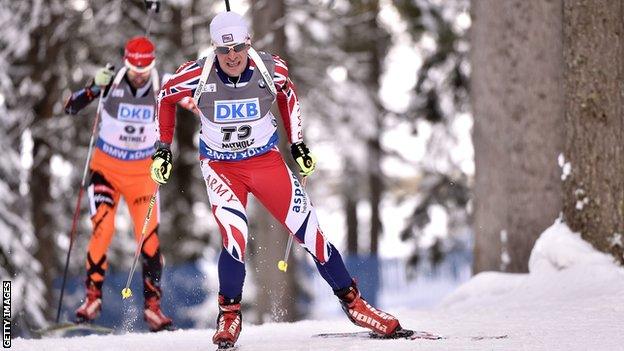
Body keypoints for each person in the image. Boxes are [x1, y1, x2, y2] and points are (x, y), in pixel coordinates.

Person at [150, 12, 403, 347]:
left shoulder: (272, 69)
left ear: (248, 42)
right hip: (221, 167)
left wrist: (297, 144)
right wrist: (162, 148)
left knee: (310, 232)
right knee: (235, 237)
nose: (233, 56)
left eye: (238, 47)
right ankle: (229, 314)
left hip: (265, 162)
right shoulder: (196, 74)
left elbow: (288, 95)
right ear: (213, 48)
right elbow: (165, 96)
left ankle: (356, 305)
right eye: (224, 51)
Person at [64, 36, 173, 332]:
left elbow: (194, 100)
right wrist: (93, 88)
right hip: (107, 170)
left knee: (148, 237)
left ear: (153, 62)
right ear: (126, 61)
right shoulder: (110, 81)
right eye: (134, 66)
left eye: (146, 66)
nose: (140, 73)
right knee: (103, 227)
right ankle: (92, 298)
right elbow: (70, 106)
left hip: (142, 175)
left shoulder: (164, 83)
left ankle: (153, 308)